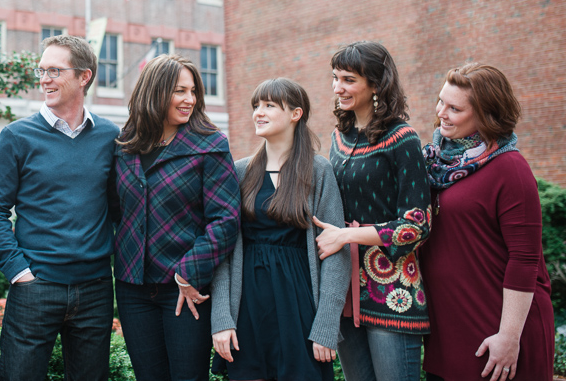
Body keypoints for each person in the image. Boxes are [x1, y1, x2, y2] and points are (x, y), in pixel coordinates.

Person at [0, 34, 119, 381]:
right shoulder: (16, 137)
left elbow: (119, 209)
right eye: (41, 70)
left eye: (55, 70)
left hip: (95, 289)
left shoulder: (110, 137)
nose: (44, 79)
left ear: (83, 76)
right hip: (35, 287)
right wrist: (18, 272)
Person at [419, 63, 554, 381]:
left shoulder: (510, 168)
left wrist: (509, 338)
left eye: (455, 108)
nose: (442, 113)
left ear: (486, 115)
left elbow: (525, 259)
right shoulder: (434, 162)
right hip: (449, 328)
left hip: (499, 330)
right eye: (441, 102)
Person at [111, 54, 240, 381]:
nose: (190, 100)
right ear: (155, 92)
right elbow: (117, 212)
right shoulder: (125, 145)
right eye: (179, 91)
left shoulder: (210, 144)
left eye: (193, 91)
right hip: (133, 287)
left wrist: (188, 272)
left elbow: (225, 220)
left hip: (185, 289)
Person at [212, 78, 349, 381]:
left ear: (295, 114)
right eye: (256, 106)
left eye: (269, 105)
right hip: (247, 306)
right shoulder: (239, 172)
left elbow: (336, 252)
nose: (258, 112)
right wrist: (221, 319)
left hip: (299, 306)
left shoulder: (318, 170)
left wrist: (326, 324)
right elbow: (221, 251)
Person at [314, 41, 430, 381]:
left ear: (376, 84)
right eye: (335, 78)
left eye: (349, 80)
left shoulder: (403, 138)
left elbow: (417, 225)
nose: (338, 88)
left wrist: (346, 234)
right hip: (344, 291)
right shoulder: (340, 136)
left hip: (393, 292)